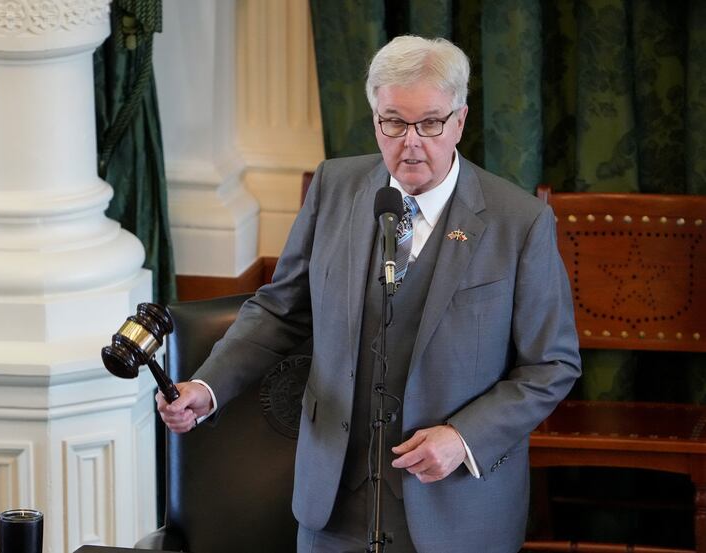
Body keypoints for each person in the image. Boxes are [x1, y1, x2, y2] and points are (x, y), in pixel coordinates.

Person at [157, 35, 581, 553]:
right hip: (332, 503)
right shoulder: (335, 187)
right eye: (394, 122)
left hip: (454, 509)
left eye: (430, 123)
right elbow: (280, 310)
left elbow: (551, 365)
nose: (411, 142)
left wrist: (464, 437)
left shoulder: (520, 222)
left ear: (460, 121)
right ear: (375, 116)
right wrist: (208, 386)